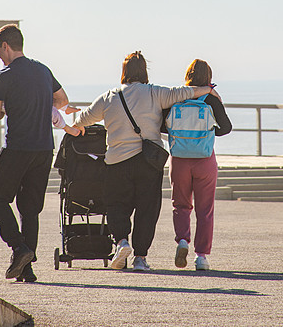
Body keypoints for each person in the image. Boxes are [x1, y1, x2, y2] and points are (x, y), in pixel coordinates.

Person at [67, 51, 216, 272]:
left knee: (117, 205)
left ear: (124, 72)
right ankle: (140, 258)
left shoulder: (109, 96)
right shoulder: (155, 93)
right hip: (148, 162)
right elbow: (183, 93)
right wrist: (207, 89)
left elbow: (81, 121)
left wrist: (77, 125)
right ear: (144, 71)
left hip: (117, 161)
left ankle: (122, 243)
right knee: (147, 210)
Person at [0, 24, 77, 283]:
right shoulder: (43, 70)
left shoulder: (4, 75)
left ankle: (19, 249)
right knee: (30, 208)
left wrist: (0, 104)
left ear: (5, 46)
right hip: (44, 148)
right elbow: (62, 100)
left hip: (17, 147)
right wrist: (40, 103)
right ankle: (27, 270)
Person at [164, 59, 232, 271]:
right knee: (205, 210)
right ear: (208, 78)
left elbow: (163, 126)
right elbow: (226, 128)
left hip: (180, 160)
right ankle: (201, 256)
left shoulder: (177, 98)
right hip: (204, 159)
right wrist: (208, 132)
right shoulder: (211, 100)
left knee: (180, 205)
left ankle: (183, 241)